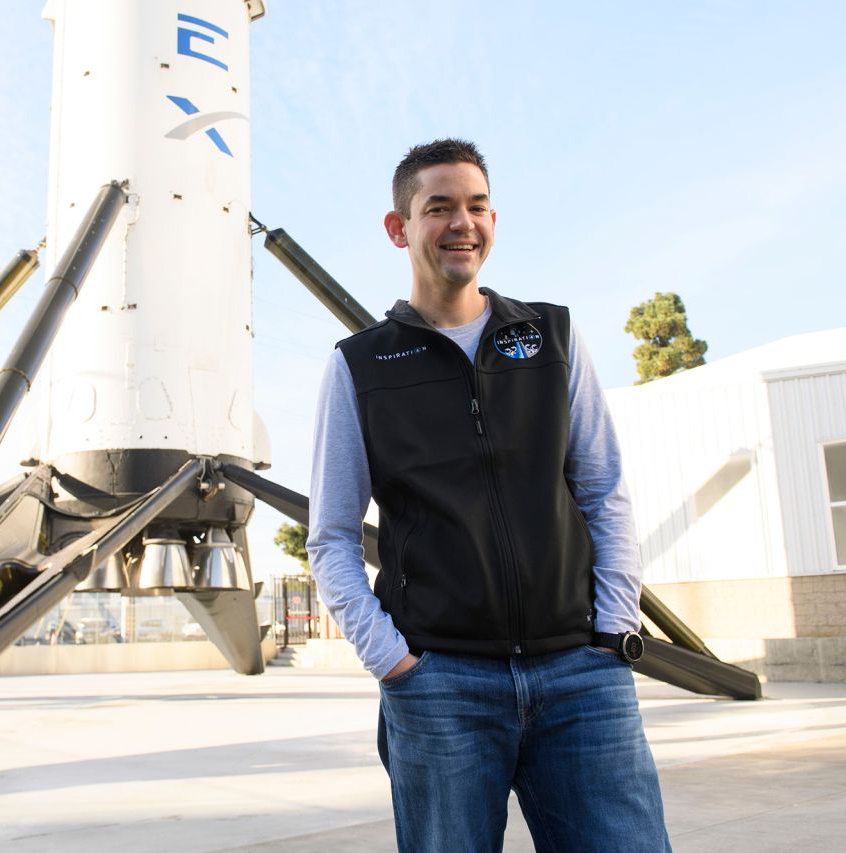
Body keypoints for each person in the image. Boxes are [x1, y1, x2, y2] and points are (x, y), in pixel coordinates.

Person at [307, 138, 671, 852]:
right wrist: (394, 662)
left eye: (475, 206)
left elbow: (603, 490)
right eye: (437, 207)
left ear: (493, 220)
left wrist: (611, 627)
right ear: (399, 227)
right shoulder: (361, 365)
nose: (460, 223)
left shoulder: (550, 336)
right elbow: (331, 535)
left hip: (582, 677)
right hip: (441, 687)